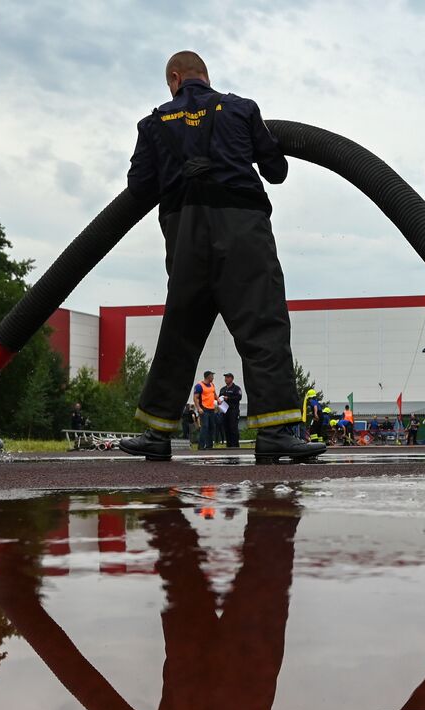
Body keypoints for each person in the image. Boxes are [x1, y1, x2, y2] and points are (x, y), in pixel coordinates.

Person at [117, 51, 324, 464]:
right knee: (262, 325)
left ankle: (157, 434)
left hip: (185, 232)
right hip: (242, 227)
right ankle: (276, 433)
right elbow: (276, 171)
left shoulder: (153, 123)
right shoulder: (241, 109)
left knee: (180, 329)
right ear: (205, 77)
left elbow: (139, 188)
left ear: (174, 79)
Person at [192, 370, 220, 450]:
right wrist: (199, 408)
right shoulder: (199, 386)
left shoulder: (212, 385)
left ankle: (209, 445)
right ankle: (201, 446)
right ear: (208, 377)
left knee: (212, 427)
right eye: (212, 376)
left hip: (211, 409)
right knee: (205, 427)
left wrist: (218, 399)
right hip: (204, 409)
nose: (213, 377)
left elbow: (214, 394)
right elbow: (195, 398)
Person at [219, 372, 243, 448]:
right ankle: (229, 445)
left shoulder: (236, 388)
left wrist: (228, 398)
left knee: (233, 428)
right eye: (225, 377)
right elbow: (219, 398)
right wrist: (219, 401)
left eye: (228, 377)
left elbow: (238, 398)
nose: (226, 379)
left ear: (232, 379)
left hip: (233, 411)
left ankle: (235, 445)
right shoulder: (223, 389)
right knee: (226, 428)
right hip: (225, 411)